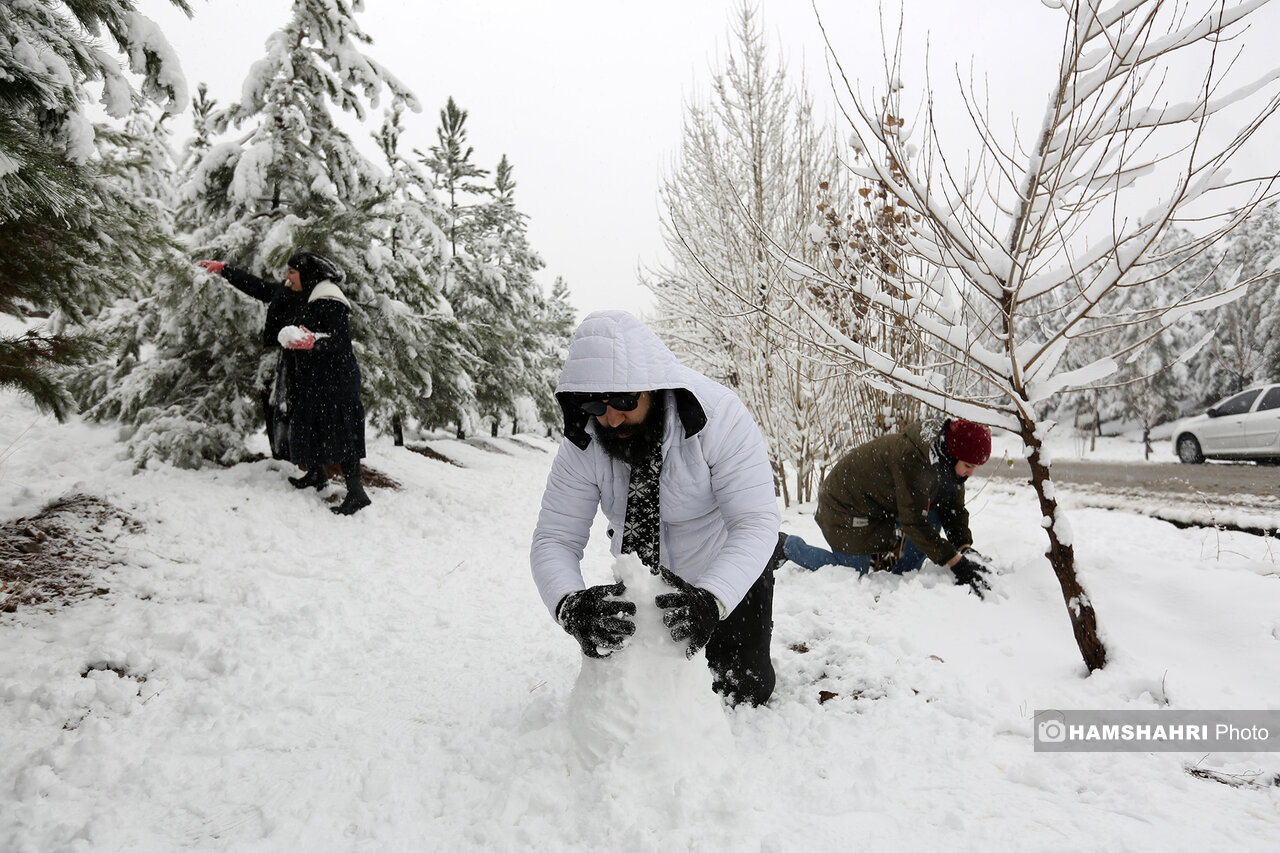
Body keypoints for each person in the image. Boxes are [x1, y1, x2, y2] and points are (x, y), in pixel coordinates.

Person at [530, 310, 784, 707]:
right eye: (596, 406)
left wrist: (712, 600)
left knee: (742, 689)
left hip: (727, 564)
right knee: (644, 696)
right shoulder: (584, 442)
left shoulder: (720, 418)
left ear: (655, 387)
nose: (611, 418)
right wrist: (570, 606)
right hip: (645, 578)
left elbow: (755, 522)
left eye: (623, 400)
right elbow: (555, 539)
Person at [197, 252, 371, 515]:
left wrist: (314, 341)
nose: (287, 277)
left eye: (292, 272)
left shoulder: (329, 298)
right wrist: (225, 270)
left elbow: (339, 341)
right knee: (307, 421)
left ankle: (357, 493)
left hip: (336, 377)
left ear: (308, 274)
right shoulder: (294, 292)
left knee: (340, 429)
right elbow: (260, 288)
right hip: (310, 373)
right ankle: (317, 474)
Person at [783, 417, 993, 597]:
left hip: (881, 505)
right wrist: (955, 561)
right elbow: (914, 522)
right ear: (953, 455)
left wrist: (964, 546)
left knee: (934, 513)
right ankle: (787, 546)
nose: (971, 473)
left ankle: (903, 579)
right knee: (850, 574)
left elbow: (952, 507)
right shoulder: (914, 458)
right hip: (845, 505)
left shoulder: (946, 462)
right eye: (968, 466)